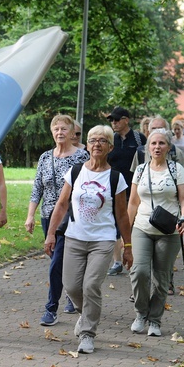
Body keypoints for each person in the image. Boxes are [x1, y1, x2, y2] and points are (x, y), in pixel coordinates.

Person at [44, 125, 131, 354]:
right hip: (74, 237)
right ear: (88, 145)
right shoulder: (75, 172)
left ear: (110, 147)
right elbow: (61, 204)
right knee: (72, 286)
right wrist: (51, 233)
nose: (96, 144)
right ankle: (86, 315)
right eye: (92, 140)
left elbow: (122, 215)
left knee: (91, 285)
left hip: (103, 240)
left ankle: (88, 334)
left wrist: (128, 247)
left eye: (102, 141)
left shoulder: (116, 178)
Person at [127, 129, 184, 337]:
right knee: (139, 272)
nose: (157, 147)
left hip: (169, 230)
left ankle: (155, 320)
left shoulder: (176, 169)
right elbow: (133, 202)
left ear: (168, 147)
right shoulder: (140, 170)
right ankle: (141, 313)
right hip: (142, 227)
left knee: (162, 278)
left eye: (161, 143)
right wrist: (125, 234)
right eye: (153, 143)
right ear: (148, 148)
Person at [25, 114, 88, 325]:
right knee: (56, 259)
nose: (60, 133)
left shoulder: (82, 157)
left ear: (72, 133)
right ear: (52, 132)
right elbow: (37, 188)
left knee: (57, 262)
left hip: (71, 216)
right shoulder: (45, 157)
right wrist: (30, 215)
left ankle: (51, 308)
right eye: (56, 129)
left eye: (64, 129)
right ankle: (71, 292)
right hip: (47, 216)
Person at [106, 106, 146, 276]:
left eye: (116, 119)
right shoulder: (111, 140)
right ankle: (116, 261)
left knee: (133, 225)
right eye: (111, 120)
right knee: (114, 224)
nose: (113, 123)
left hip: (135, 190)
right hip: (114, 189)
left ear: (126, 120)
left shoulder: (139, 138)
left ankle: (135, 258)